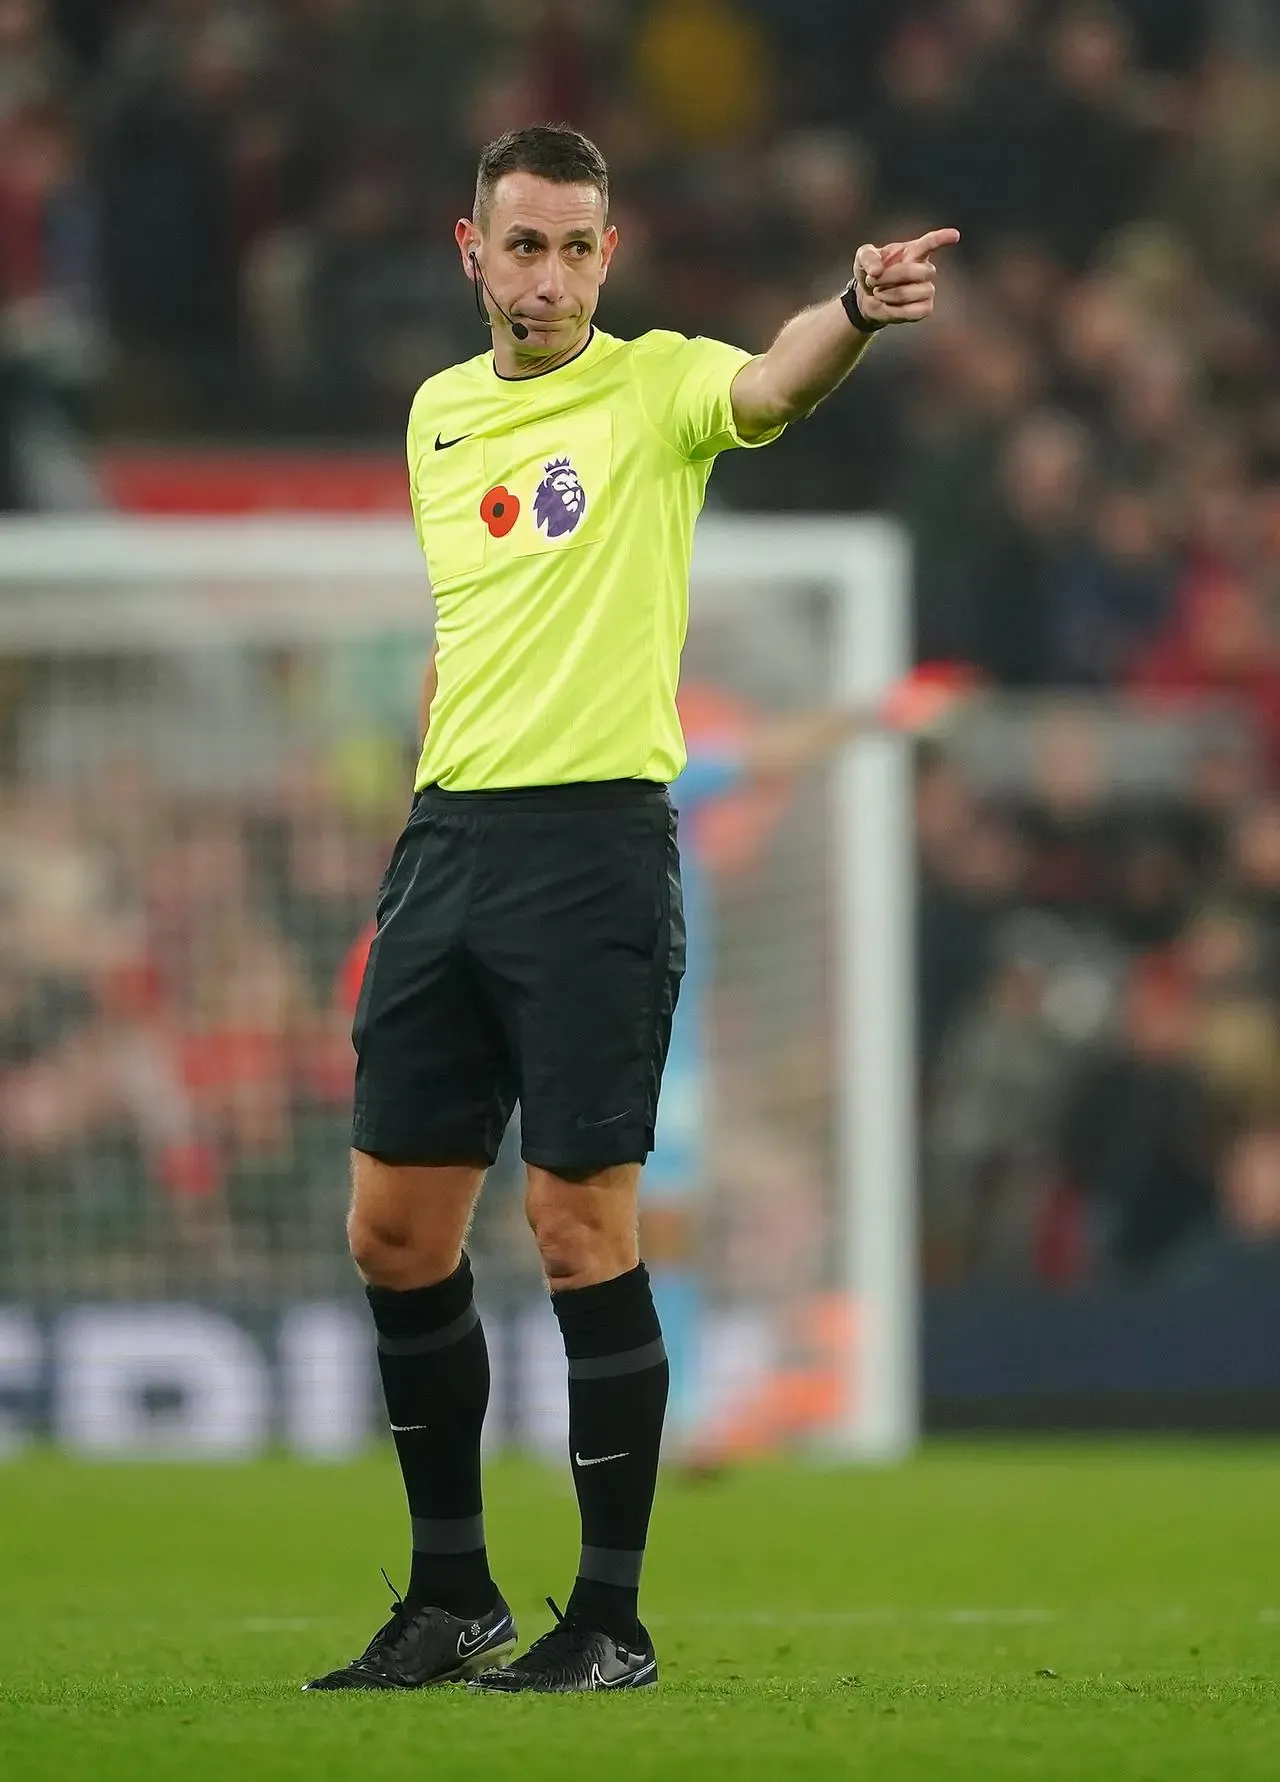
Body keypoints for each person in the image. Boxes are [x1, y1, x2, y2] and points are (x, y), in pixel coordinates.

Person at [304, 123, 957, 1696]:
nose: (550, 275)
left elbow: (774, 384)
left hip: (593, 854)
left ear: (610, 251)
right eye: (523, 245)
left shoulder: (659, 386)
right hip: (447, 846)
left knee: (579, 1223)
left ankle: (608, 1619)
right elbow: (475, 628)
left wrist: (852, 310)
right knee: (394, 1232)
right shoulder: (437, 419)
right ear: (475, 252)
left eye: (576, 246)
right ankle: (452, 1598)